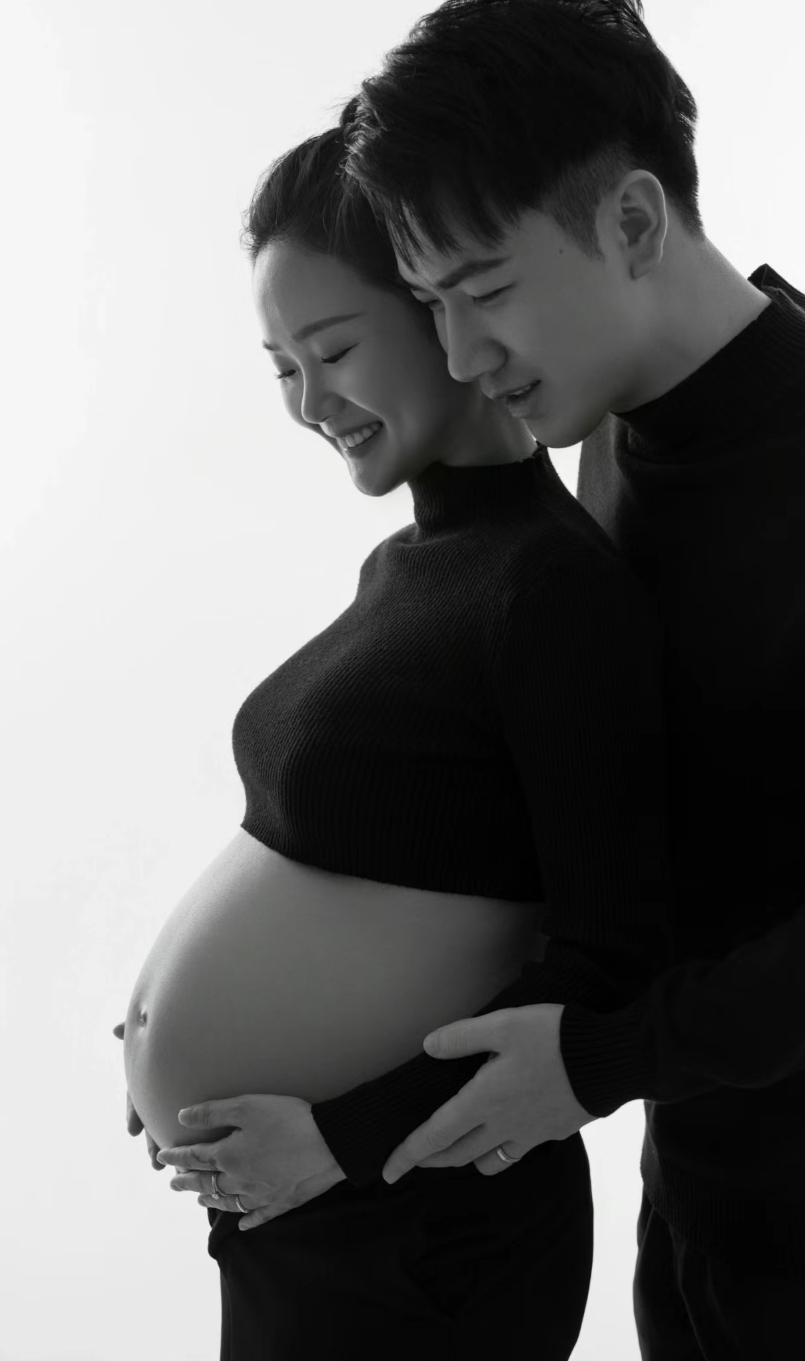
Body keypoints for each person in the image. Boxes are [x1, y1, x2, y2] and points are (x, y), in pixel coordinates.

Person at [298, 0, 803, 1356]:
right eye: (431, 305)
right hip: (702, 1218)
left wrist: (597, 1058)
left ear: (632, 222)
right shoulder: (613, 433)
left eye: (486, 290)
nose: (462, 356)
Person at [125, 115, 674, 1358]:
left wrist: (338, 1135)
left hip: (426, 1226)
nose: (308, 400)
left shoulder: (551, 587)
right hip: (312, 1214)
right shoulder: (410, 565)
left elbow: (612, 966)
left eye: (331, 349)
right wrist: (176, 1050)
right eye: (280, 366)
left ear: (438, 307)